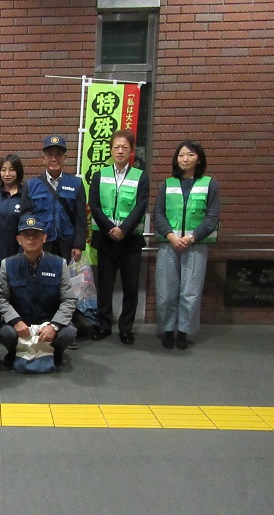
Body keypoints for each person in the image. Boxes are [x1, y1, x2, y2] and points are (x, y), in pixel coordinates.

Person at [154, 140, 221, 350]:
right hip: (169, 244)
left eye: (190, 155)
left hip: (196, 245)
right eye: (181, 155)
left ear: (198, 158)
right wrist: (172, 236)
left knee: (190, 293)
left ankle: (182, 332)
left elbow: (212, 217)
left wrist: (192, 237)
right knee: (166, 292)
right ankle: (167, 330)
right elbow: (158, 214)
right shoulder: (167, 184)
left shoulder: (210, 184)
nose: (185, 159)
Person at [89, 129, 150, 345]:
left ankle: (126, 328)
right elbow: (94, 205)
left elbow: (141, 205)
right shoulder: (100, 175)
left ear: (132, 151)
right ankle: (104, 325)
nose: (120, 151)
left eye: (125, 147)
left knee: (130, 287)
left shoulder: (140, 176)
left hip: (130, 240)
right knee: (104, 286)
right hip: (106, 240)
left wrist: (123, 229)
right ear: (111, 150)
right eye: (116, 147)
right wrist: (110, 229)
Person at [0, 215, 78, 368]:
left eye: (36, 234)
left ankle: (55, 354)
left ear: (44, 238)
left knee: (69, 332)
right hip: (22, 323)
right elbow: (1, 297)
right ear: (18, 239)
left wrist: (53, 326)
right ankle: (15, 352)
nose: (31, 238)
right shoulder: (8, 265)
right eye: (26, 235)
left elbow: (69, 300)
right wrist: (16, 321)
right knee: (5, 332)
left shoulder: (58, 264)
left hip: (48, 322)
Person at [22, 135, 88, 262]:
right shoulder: (31, 185)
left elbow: (81, 218)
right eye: (50, 155)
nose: (54, 158)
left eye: (58, 154)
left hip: (67, 244)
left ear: (65, 158)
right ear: (43, 158)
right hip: (41, 243)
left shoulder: (76, 184)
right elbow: (25, 217)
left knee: (65, 280)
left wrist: (78, 245)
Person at [0, 154, 26, 267]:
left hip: (21, 257)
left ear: (18, 172)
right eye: (3, 170)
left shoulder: (26, 197)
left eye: (11, 170)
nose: (7, 174)